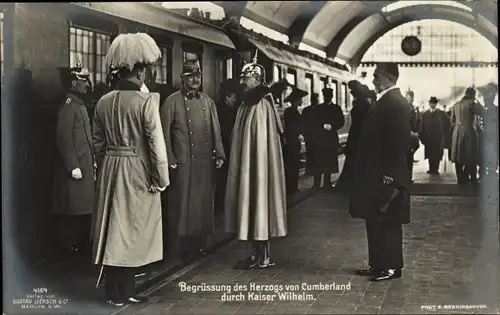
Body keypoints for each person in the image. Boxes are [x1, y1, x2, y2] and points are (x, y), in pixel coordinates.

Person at [91, 33, 169, 306]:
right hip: (137, 168)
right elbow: (156, 145)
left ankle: (115, 292)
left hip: (111, 168)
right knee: (133, 230)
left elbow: (97, 143)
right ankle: (126, 291)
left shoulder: (103, 101)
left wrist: (106, 167)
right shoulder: (146, 102)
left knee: (113, 229)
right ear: (140, 72)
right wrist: (160, 179)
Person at [349, 62, 412, 282]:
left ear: (389, 78)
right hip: (376, 173)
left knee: (389, 221)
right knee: (375, 218)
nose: (374, 80)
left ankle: (392, 267)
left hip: (387, 174)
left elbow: (399, 143)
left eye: (377, 76)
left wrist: (390, 175)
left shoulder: (395, 103)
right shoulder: (386, 101)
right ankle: (377, 264)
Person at [160, 59, 225, 261]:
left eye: (197, 76)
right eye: (190, 76)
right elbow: (163, 134)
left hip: (204, 163)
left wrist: (220, 154)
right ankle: (178, 249)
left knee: (202, 206)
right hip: (183, 163)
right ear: (183, 79)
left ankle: (199, 246)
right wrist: (169, 159)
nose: (195, 79)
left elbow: (216, 131)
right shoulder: (171, 101)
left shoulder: (207, 102)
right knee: (181, 207)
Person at [224, 58, 287, 270]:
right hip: (250, 167)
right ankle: (256, 255)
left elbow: (260, 144)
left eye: (246, 78)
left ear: (257, 79)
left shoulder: (260, 104)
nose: (243, 82)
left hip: (257, 169)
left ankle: (263, 256)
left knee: (259, 201)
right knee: (253, 203)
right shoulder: (248, 102)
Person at [53, 63, 95, 253]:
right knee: (73, 208)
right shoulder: (69, 106)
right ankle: (68, 248)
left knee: (83, 208)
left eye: (87, 79)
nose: (87, 84)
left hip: (84, 165)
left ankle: (79, 245)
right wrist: (72, 166)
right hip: (76, 168)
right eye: (82, 80)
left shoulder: (79, 104)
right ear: (72, 83)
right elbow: (63, 138)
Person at [336, 81, 373, 192]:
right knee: (354, 159)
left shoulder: (363, 105)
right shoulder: (364, 104)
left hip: (358, 134)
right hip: (357, 134)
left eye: (353, 91)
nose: (351, 93)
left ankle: (350, 185)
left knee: (354, 159)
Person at [307, 87, 345, 190]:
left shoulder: (336, 108)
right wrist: (321, 127)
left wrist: (332, 126)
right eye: (326, 96)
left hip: (330, 139)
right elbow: (313, 122)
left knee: (328, 162)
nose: (327, 97)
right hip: (320, 139)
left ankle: (327, 184)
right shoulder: (318, 108)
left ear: (331, 96)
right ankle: (316, 184)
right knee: (318, 161)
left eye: (329, 96)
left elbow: (341, 122)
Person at [215, 79, 242, 215]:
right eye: (233, 98)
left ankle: (221, 205)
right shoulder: (228, 111)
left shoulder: (217, 107)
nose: (234, 100)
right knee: (226, 178)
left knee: (222, 179)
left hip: (222, 148)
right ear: (227, 97)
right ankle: (224, 206)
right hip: (227, 148)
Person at [450, 87, 484, 185]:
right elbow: (482, 112)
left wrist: (458, 126)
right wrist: (478, 102)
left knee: (458, 156)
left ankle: (460, 179)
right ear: (473, 95)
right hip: (469, 132)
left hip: (457, 133)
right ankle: (470, 178)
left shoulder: (456, 105)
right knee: (471, 155)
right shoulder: (472, 104)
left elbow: (452, 121)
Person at [283, 88, 307, 194]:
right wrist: (299, 133)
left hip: (291, 140)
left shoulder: (291, 111)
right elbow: (294, 126)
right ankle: (292, 187)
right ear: (296, 100)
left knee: (292, 164)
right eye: (300, 99)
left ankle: (292, 186)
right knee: (293, 164)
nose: (302, 101)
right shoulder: (292, 112)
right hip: (293, 141)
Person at [419, 97, 450, 175]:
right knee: (430, 153)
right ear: (429, 104)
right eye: (431, 103)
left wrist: (445, 133)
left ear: (436, 104)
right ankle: (431, 168)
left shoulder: (441, 113)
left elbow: (448, 122)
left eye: (434, 103)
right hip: (428, 137)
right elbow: (422, 125)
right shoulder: (425, 114)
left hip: (438, 137)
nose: (432, 104)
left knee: (437, 154)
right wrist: (422, 136)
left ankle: (435, 169)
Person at [301, 93, 319, 177]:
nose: (315, 101)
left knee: (313, 154)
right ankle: (310, 171)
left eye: (315, 99)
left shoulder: (307, 110)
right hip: (310, 136)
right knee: (311, 153)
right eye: (314, 99)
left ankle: (312, 171)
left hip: (314, 136)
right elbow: (303, 122)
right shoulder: (307, 110)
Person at [405, 90, 420, 182]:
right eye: (410, 97)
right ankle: (407, 176)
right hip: (407, 135)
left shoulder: (413, 108)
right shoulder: (404, 108)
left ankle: (409, 176)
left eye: (412, 97)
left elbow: (416, 121)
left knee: (409, 156)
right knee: (407, 157)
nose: (411, 99)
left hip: (413, 135)